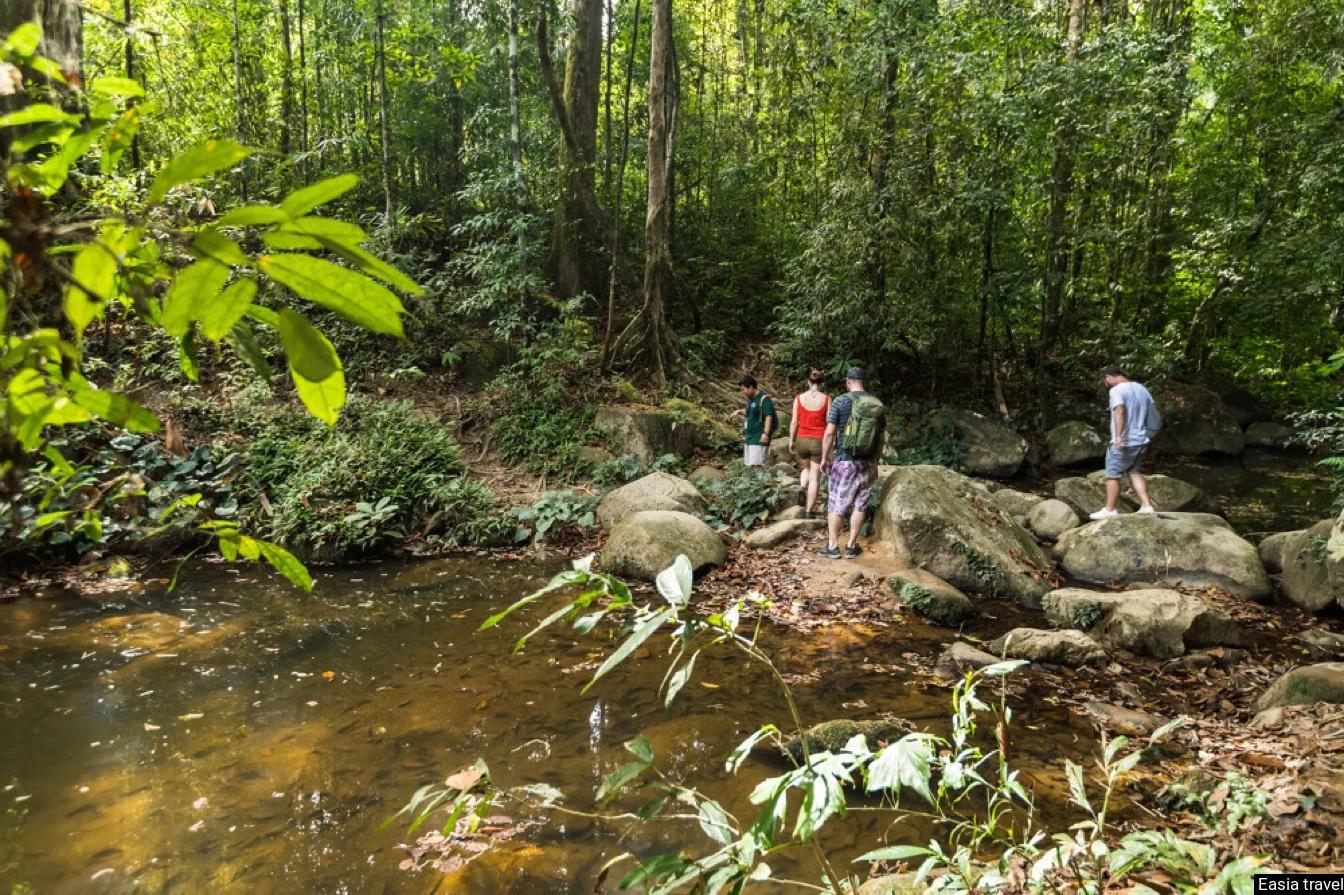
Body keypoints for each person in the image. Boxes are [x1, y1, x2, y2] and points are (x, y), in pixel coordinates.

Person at [819, 366, 885, 559]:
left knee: (836, 505)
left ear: (848, 382)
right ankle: (851, 546)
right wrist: (876, 460)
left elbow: (829, 433)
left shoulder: (840, 401)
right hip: (868, 463)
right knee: (860, 504)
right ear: (864, 382)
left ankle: (832, 546)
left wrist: (824, 458)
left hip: (845, 462)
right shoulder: (876, 404)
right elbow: (881, 435)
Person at [1090, 365, 1160, 520]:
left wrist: (1118, 437)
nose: (1106, 384)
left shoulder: (1116, 390)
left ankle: (1110, 509)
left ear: (1109, 377)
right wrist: (1148, 435)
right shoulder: (1142, 389)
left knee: (1112, 475)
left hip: (1125, 442)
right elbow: (1154, 416)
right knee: (1134, 471)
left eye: (1105, 381)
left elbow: (1120, 411)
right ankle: (1147, 506)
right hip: (1141, 440)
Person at [788, 369, 830, 518]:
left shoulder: (799, 398)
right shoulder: (826, 399)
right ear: (822, 383)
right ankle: (808, 512)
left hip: (802, 439)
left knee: (806, 468)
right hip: (818, 441)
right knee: (815, 477)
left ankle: (802, 487)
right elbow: (829, 423)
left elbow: (794, 422)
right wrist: (832, 443)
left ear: (808, 382)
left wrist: (791, 440)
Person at [729, 374, 776, 466]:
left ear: (750, 387)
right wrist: (739, 411)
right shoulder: (751, 399)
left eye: (744, 389)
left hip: (758, 438)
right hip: (749, 437)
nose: (743, 392)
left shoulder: (764, 399)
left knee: (756, 465)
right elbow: (750, 412)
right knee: (749, 465)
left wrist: (766, 434)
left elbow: (768, 416)